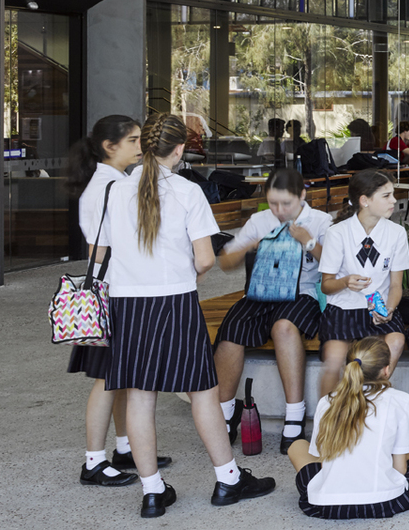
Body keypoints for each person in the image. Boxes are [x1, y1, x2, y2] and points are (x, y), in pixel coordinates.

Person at [102, 113, 278, 515]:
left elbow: (110, 252)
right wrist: (190, 270)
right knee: (203, 392)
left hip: (126, 303)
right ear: (179, 149)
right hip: (174, 301)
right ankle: (228, 480)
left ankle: (151, 492)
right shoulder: (186, 191)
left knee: (140, 396)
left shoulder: (117, 191)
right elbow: (204, 259)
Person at [212, 168, 331, 452]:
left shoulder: (320, 220)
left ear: (302, 196)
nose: (279, 210)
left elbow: (334, 264)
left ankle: (294, 413)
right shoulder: (259, 220)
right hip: (261, 293)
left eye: (286, 204)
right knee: (232, 331)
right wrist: (249, 247)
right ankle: (225, 412)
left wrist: (308, 241)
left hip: (302, 293)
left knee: (284, 327)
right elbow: (226, 262)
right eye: (273, 203)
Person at [67, 114, 155, 488]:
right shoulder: (106, 187)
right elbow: (98, 250)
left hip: (118, 291)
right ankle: (93, 461)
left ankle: (123, 448)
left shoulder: (114, 181)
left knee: (119, 376)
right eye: (133, 141)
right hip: (111, 293)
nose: (141, 147)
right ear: (110, 146)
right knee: (106, 378)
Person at [287, 337, 409, 520]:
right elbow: (400, 470)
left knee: (297, 446)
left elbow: (322, 462)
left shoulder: (327, 402)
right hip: (383, 502)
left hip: (329, 505)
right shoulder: (401, 400)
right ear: (386, 370)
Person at [317, 170, 409, 398]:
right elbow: (326, 286)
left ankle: (368, 400)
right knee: (334, 360)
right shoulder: (337, 233)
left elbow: (396, 285)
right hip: (343, 309)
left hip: (379, 310)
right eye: (386, 196)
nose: (394, 200)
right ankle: (327, 417)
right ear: (365, 201)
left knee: (396, 341)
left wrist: (388, 309)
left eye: (393, 195)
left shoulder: (396, 233)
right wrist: (345, 282)